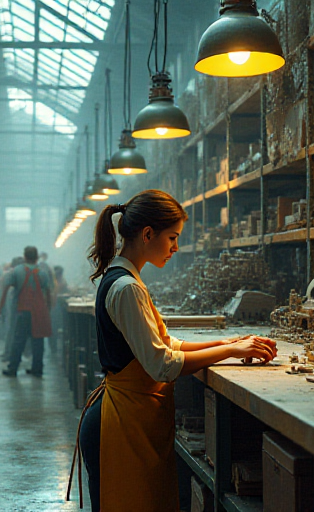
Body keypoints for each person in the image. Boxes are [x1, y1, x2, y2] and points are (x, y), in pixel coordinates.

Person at [71, 190, 278, 511]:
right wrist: (230, 352)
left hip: (128, 419)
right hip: (120, 426)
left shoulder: (125, 278)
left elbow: (167, 345)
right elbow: (163, 365)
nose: (175, 247)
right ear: (148, 234)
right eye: (172, 237)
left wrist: (226, 344)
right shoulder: (127, 288)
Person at [0, 246, 53, 377]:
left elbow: (5, 289)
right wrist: (48, 310)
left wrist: (0, 309)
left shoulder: (16, 271)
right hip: (39, 312)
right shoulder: (42, 273)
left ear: (25, 256)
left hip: (22, 311)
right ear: (37, 257)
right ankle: (37, 368)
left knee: (18, 341)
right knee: (38, 341)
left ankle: (13, 369)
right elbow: (48, 294)